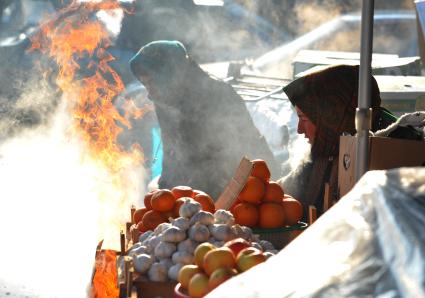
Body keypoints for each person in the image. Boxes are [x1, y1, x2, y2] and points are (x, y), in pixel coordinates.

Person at [129, 40, 280, 200]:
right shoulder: (166, 100)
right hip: (198, 196)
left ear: (169, 76)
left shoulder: (217, 97)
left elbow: (232, 156)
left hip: (247, 191)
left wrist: (196, 200)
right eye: (146, 85)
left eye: (152, 83)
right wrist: (165, 193)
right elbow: (172, 153)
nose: (149, 93)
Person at [278, 64, 396, 218]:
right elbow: (288, 186)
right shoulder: (325, 150)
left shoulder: (383, 155)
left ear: (332, 115)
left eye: (304, 119)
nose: (299, 129)